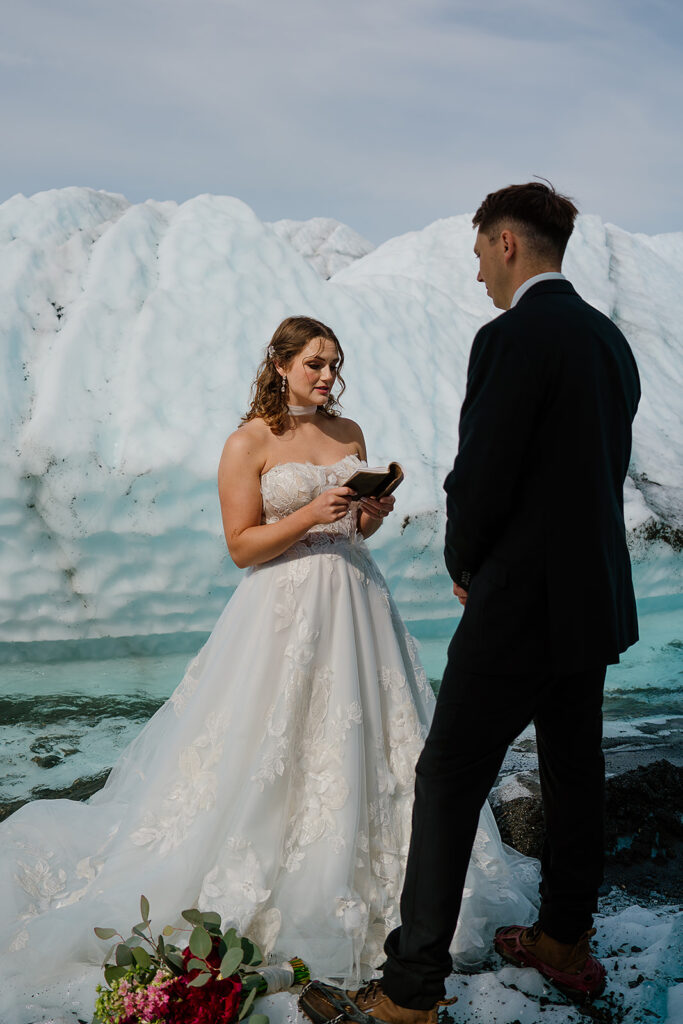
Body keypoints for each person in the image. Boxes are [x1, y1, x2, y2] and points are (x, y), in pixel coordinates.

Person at [0, 315, 538, 1024]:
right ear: (280, 364)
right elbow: (242, 546)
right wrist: (314, 511)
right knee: (270, 745)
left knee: (371, 741)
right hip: (280, 609)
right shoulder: (248, 441)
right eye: (314, 363)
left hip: (355, 600)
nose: (325, 376)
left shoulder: (349, 436)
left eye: (334, 364)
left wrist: (369, 511)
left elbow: (354, 528)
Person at [348, 183, 641, 1024]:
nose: (477, 270)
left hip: (518, 599)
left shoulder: (510, 336)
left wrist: (466, 563)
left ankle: (409, 992)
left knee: (446, 778)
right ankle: (561, 940)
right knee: (573, 771)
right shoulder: (609, 341)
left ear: (507, 242)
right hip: (591, 600)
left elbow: (481, 474)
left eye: (479, 252)